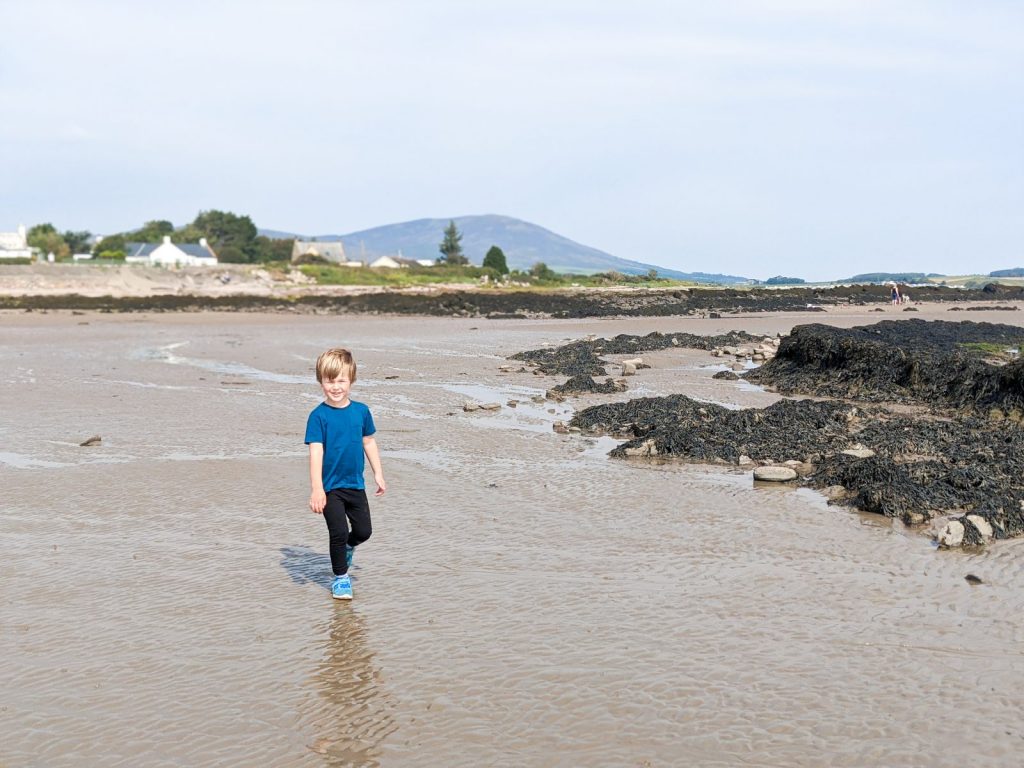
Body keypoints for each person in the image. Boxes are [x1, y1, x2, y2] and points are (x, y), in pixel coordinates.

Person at [305, 348, 386, 600]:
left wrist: (378, 474)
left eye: (341, 380)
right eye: (330, 381)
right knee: (338, 532)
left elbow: (369, 442)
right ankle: (341, 578)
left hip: (355, 485)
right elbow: (316, 453)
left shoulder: (361, 411)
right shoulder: (318, 416)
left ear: (351, 380)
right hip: (330, 488)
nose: (336, 387)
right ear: (321, 381)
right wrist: (317, 488)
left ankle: (349, 548)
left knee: (363, 532)